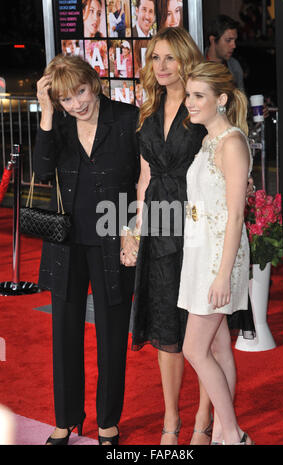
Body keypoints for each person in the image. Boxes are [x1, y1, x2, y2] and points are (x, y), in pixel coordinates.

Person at [34, 54, 139, 445]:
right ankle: (65, 419)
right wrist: (46, 114)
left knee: (112, 336)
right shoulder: (56, 124)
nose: (77, 104)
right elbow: (42, 172)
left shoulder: (127, 119)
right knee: (64, 333)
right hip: (66, 241)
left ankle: (108, 421)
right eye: (65, 99)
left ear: (93, 82)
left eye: (80, 91)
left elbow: (143, 182)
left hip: (115, 239)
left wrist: (136, 233)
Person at [125, 27, 215, 446]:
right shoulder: (147, 110)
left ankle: (202, 420)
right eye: (154, 58)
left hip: (196, 226)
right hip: (160, 229)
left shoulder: (200, 108)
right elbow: (144, 178)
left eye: (168, 58)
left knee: (200, 332)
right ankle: (170, 421)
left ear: (185, 59)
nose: (160, 67)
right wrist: (133, 229)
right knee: (166, 327)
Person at [178, 61, 254, 445]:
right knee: (219, 344)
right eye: (189, 94)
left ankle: (231, 433)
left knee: (194, 347)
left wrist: (223, 274)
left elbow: (237, 213)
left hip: (219, 260)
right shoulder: (208, 140)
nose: (189, 102)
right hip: (201, 255)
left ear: (221, 99)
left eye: (198, 96)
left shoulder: (232, 142)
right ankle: (228, 433)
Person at [205, 15, 245, 92]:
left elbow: (241, 100)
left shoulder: (234, 66)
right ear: (213, 40)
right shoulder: (197, 65)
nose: (234, 46)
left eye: (234, 40)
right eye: (228, 40)